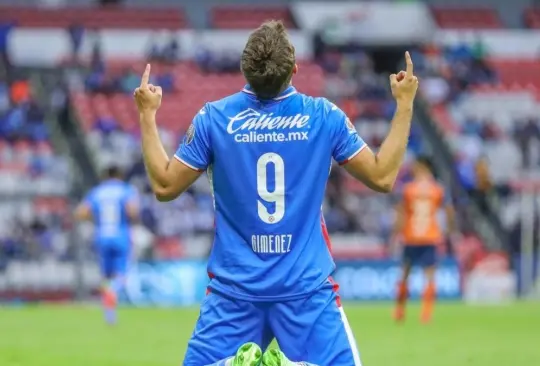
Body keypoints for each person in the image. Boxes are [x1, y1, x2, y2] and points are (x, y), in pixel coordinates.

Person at [133, 20, 418, 366]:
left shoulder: (214, 119)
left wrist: (148, 115)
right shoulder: (323, 116)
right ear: (295, 68)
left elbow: (164, 185)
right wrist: (403, 105)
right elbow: (382, 176)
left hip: (233, 295)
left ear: (245, 69)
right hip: (306, 294)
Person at [392, 156, 456, 324]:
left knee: (405, 274)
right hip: (430, 236)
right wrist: (449, 229)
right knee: (429, 276)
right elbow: (449, 211)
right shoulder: (438, 189)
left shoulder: (408, 189)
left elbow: (400, 213)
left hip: (411, 236)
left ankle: (400, 310)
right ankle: (426, 314)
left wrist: (395, 234)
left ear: (422, 166)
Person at [75, 165, 139, 325]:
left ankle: (109, 315)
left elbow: (80, 213)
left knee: (106, 276)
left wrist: (96, 219)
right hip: (120, 236)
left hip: (102, 236)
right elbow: (132, 211)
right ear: (119, 175)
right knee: (121, 277)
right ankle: (112, 294)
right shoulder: (126, 190)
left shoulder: (96, 192)